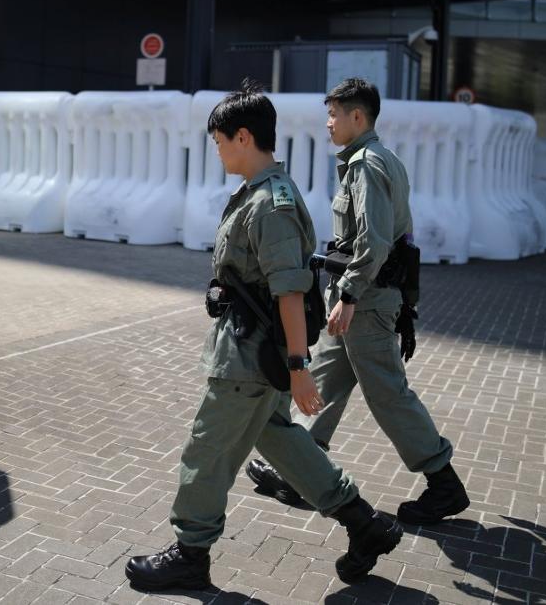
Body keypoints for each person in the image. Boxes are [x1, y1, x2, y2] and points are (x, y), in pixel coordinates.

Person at [125, 81, 402, 592]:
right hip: (255, 350)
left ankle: (191, 553)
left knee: (207, 449)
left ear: (243, 137)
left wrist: (299, 369)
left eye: (219, 139)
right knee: (279, 440)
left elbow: (290, 294)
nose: (216, 148)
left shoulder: (270, 204)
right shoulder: (258, 192)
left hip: (251, 359)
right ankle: (365, 524)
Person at [245, 77, 469, 527]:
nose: (328, 123)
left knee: (387, 393)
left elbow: (375, 241)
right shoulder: (375, 160)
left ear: (357, 117)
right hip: (356, 298)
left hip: (365, 301)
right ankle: (302, 470)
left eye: (334, 114)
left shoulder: (367, 164)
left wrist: (348, 295)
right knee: (323, 380)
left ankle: (443, 483)